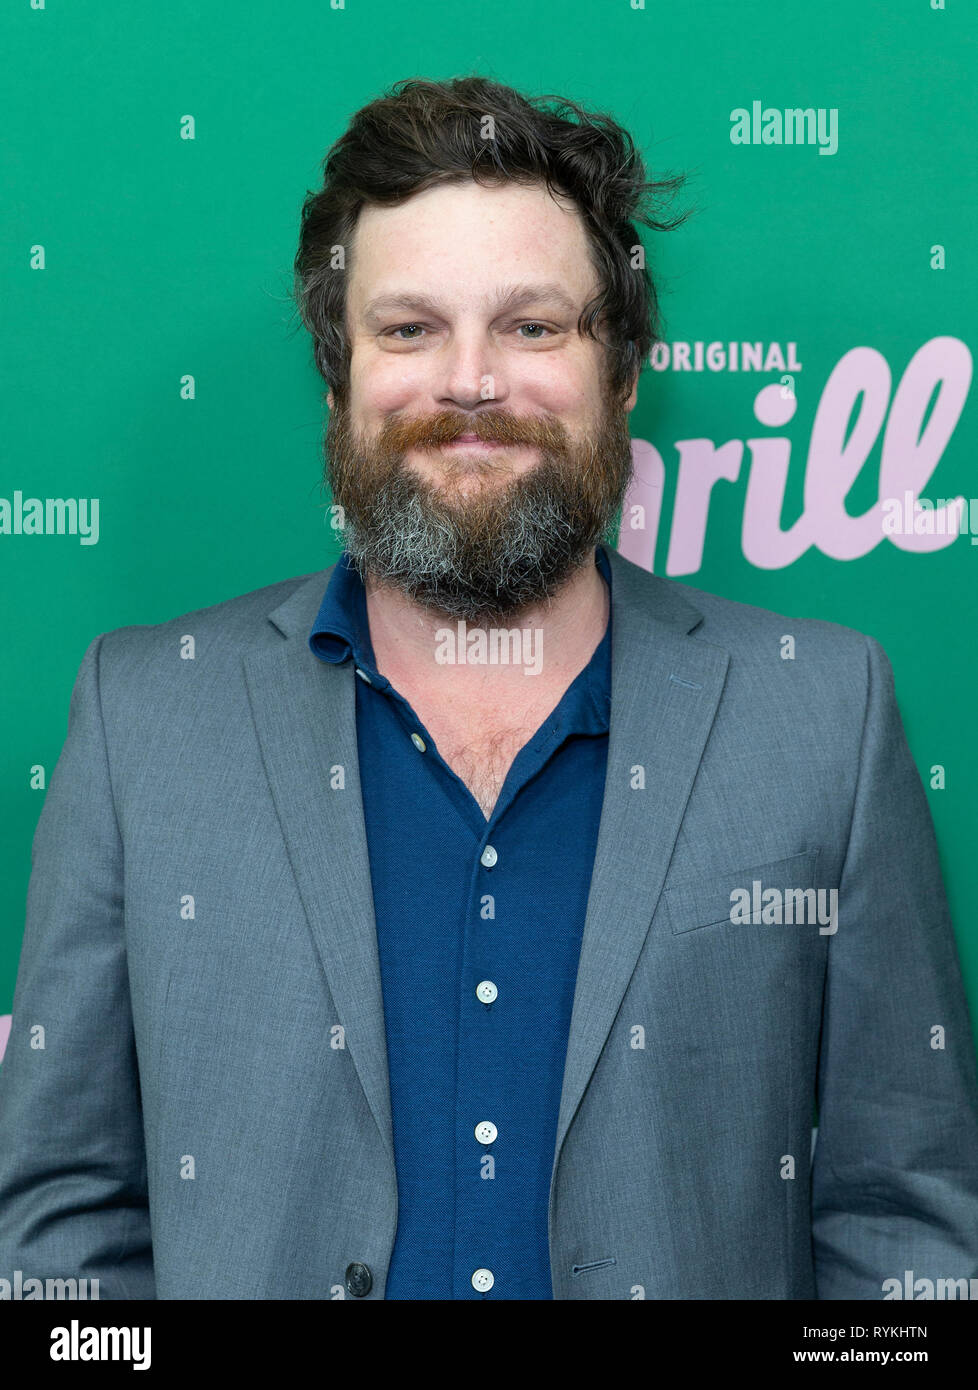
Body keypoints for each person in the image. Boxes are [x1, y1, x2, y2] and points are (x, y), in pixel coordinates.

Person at [1, 75, 977, 1301]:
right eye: (408, 329)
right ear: (336, 379)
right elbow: (60, 1228)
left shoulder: (823, 713)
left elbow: (905, 1227)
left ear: (621, 375)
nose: (471, 382)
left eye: (532, 327)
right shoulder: (143, 718)